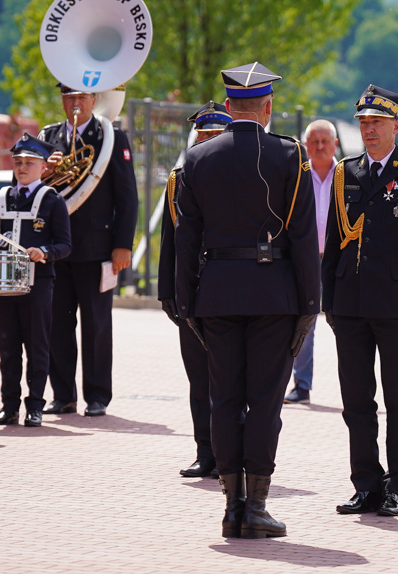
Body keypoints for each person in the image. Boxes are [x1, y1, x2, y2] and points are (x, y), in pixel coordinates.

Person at [176, 62, 320, 539]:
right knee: (264, 403)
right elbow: (301, 237)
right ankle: (255, 506)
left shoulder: (197, 160)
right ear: (268, 106)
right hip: (272, 295)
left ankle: (231, 505)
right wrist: (310, 304)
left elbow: (185, 242)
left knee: (224, 401)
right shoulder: (289, 155)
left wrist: (186, 304)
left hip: (215, 293)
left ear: (230, 104)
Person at [322, 84, 398, 517]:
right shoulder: (344, 172)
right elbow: (334, 242)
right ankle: (366, 485)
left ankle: (397, 483)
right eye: (363, 123)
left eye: (376, 123)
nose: (368, 130)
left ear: (396, 125)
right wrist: (327, 300)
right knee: (356, 401)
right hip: (350, 304)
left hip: (397, 307)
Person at [39, 83, 138, 418]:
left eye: (81, 97)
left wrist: (122, 245)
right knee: (57, 324)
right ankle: (62, 394)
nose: (75, 103)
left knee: (96, 324)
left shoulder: (111, 136)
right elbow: (34, 191)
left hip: (97, 248)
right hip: (56, 248)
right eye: (69, 97)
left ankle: (97, 396)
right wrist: (44, 172)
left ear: (95, 100)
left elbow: (127, 196)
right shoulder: (48, 136)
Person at [159, 101, 231, 478]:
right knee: (198, 377)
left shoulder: (237, 177)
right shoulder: (178, 179)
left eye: (214, 135)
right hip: (192, 290)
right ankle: (205, 451)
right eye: (202, 135)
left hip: (227, 287)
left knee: (231, 377)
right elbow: (169, 240)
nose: (206, 141)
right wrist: (166, 291)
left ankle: (231, 453)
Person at [0, 133, 71, 427]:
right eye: (18, 162)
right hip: (4, 286)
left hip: (37, 286)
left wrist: (43, 251)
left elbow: (65, 245)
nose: (22, 167)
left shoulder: (52, 201)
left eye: (29, 163)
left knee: (36, 346)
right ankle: (8, 406)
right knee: (7, 348)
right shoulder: (2, 197)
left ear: (43, 167)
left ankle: (35, 405)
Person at [283, 119, 339, 405]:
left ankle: (357, 386)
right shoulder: (297, 175)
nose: (319, 147)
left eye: (324, 142)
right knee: (303, 322)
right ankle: (301, 385)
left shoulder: (347, 174)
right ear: (305, 145)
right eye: (314, 142)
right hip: (304, 260)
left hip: (338, 259)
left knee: (348, 322)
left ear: (335, 145)